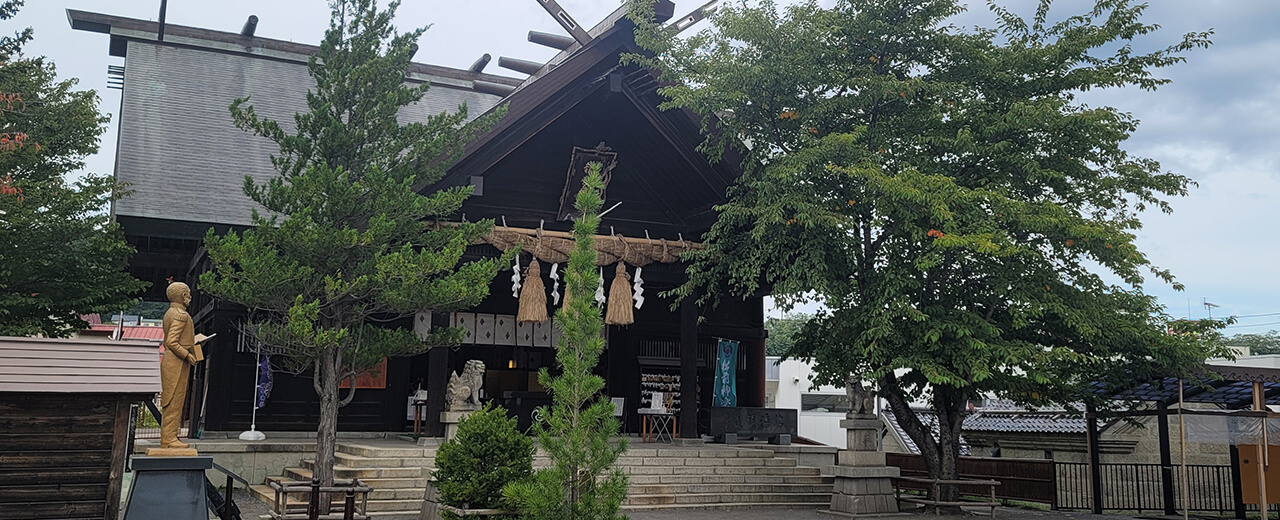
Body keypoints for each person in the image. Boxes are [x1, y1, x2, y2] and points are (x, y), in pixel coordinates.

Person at [160, 282, 204, 449]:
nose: (190, 297)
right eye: (187, 294)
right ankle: (169, 438)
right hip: (176, 362)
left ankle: (169, 436)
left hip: (171, 360)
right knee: (174, 400)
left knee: (172, 399)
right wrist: (187, 354)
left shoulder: (169, 313)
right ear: (182, 296)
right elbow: (171, 341)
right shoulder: (181, 315)